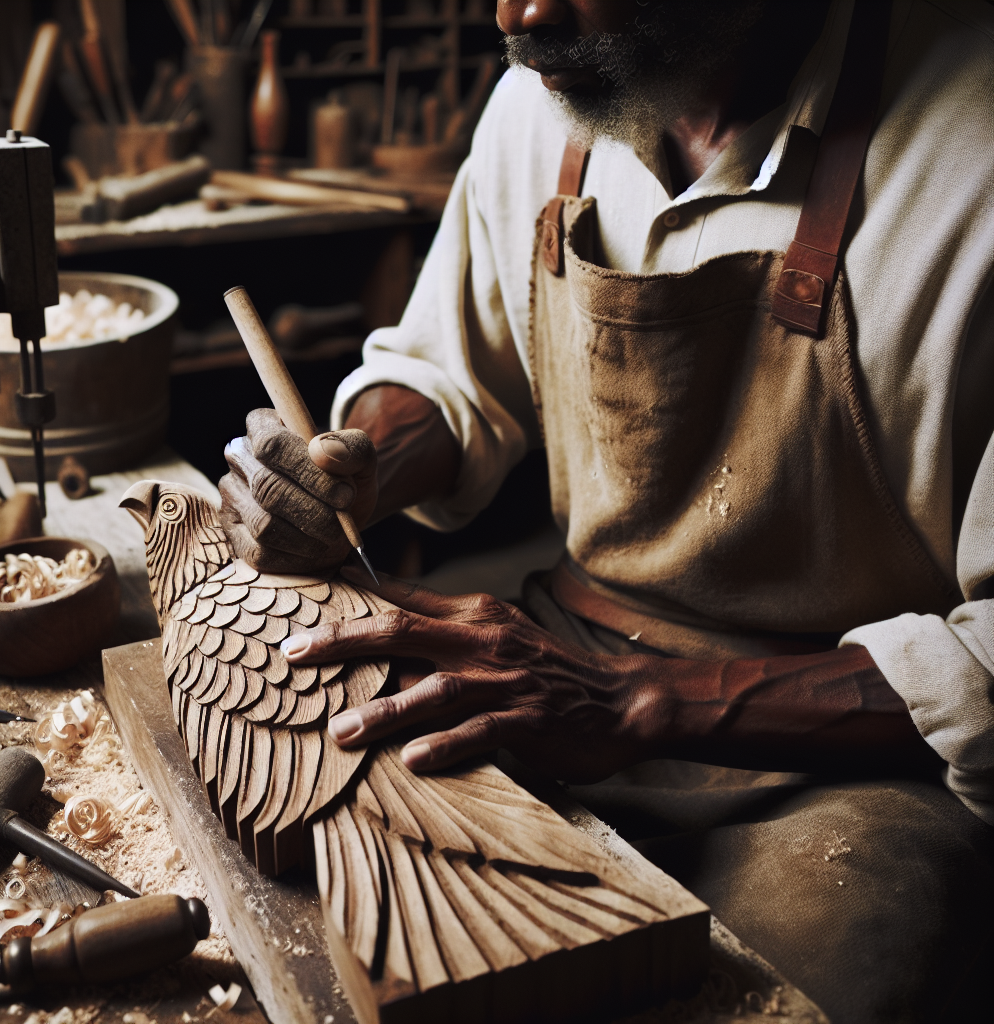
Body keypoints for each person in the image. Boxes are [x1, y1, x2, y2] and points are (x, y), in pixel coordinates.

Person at [219, 1, 993, 1019]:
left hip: (847, 741)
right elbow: (452, 374)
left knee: (792, 984)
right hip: (564, 652)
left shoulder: (968, 151)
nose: (520, 13)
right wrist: (357, 464)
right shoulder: (546, 103)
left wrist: (638, 699)